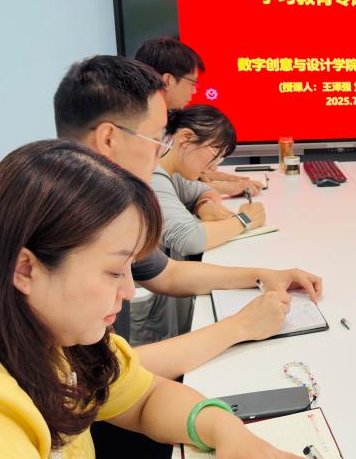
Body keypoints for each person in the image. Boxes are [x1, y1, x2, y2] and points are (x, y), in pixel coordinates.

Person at [0, 140, 300, 458]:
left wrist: (226, 430)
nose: (129, 291)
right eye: (113, 271)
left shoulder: (48, 330)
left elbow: (145, 396)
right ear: (24, 269)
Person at [53, 55, 321, 376]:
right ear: (108, 138)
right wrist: (240, 326)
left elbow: (168, 274)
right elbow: (98, 377)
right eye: (156, 140)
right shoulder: (61, 223)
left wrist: (262, 275)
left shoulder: (110, 204)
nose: (160, 153)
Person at [135, 36, 263, 197]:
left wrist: (220, 179)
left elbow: (173, 178)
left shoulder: (156, 118)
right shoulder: (141, 130)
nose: (194, 90)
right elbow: (160, 187)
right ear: (167, 80)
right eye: (193, 82)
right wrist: (224, 189)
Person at [155, 104, 266, 258]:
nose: (213, 167)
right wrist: (245, 219)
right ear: (186, 138)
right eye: (215, 155)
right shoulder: (154, 177)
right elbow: (188, 240)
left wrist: (204, 205)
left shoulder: (174, 175)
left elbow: (206, 191)